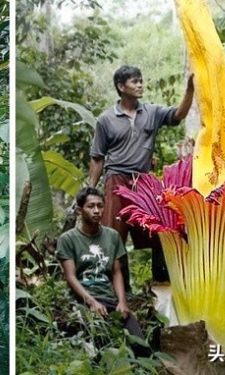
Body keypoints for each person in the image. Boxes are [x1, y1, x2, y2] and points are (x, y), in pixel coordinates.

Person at [89, 65, 194, 287]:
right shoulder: (106, 119)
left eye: (141, 81)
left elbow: (178, 115)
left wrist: (190, 90)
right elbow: (97, 157)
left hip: (143, 183)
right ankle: (118, 292)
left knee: (159, 230)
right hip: (116, 179)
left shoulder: (152, 112)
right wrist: (91, 189)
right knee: (114, 236)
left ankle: (162, 283)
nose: (140, 85)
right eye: (135, 81)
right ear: (121, 86)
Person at [56, 187, 145, 347]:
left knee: (140, 345)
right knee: (102, 343)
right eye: (91, 206)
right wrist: (91, 302)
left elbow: (117, 272)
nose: (96, 211)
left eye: (100, 206)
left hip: (109, 298)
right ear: (79, 210)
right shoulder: (67, 239)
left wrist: (122, 302)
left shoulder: (112, 236)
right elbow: (70, 276)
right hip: (82, 300)